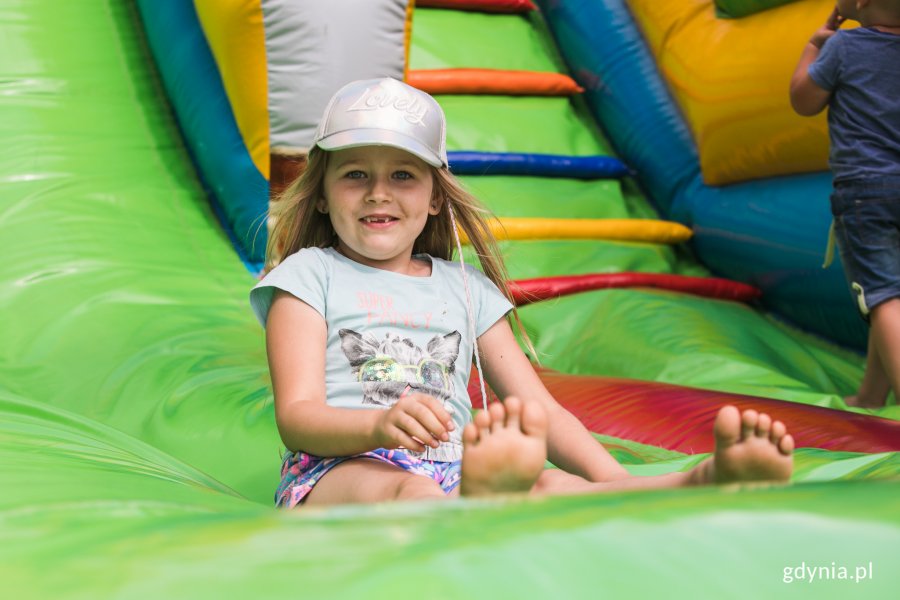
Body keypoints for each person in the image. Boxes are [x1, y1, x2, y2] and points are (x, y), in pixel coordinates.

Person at [251, 77, 794, 508]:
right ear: (320, 194)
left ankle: (699, 483)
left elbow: (541, 409)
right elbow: (297, 415)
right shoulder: (307, 276)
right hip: (341, 469)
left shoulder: (466, 288)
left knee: (549, 484)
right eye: (353, 175)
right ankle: (473, 505)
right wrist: (377, 425)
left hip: (460, 467)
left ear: (436, 197)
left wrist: (611, 479)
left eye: (402, 176)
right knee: (407, 492)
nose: (377, 193)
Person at [790, 1, 900, 409]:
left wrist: (813, 46)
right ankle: (873, 394)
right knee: (891, 288)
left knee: (883, 296)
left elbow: (804, 100)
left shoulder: (845, 47)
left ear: (862, 3)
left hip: (866, 190)